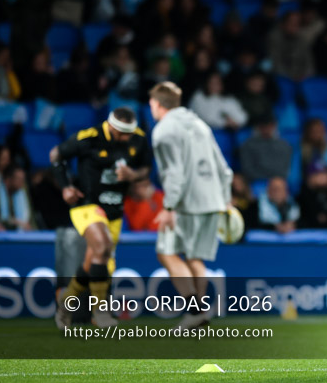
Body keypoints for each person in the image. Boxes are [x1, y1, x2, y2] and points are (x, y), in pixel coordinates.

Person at [51, 107, 151, 330]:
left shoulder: (139, 138)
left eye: (131, 133)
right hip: (87, 204)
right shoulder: (90, 137)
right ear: (112, 128)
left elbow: (146, 168)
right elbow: (56, 155)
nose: (128, 138)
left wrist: (134, 175)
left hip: (114, 210)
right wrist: (65, 187)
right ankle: (101, 311)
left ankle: (65, 307)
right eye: (123, 134)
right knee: (102, 245)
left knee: (97, 259)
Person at [149, 82, 234, 330]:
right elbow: (224, 169)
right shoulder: (200, 124)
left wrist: (168, 207)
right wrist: (226, 199)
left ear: (157, 104)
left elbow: (175, 175)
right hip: (213, 200)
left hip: (186, 203)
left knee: (166, 252)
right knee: (195, 257)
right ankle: (199, 315)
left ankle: (194, 309)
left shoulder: (164, 131)